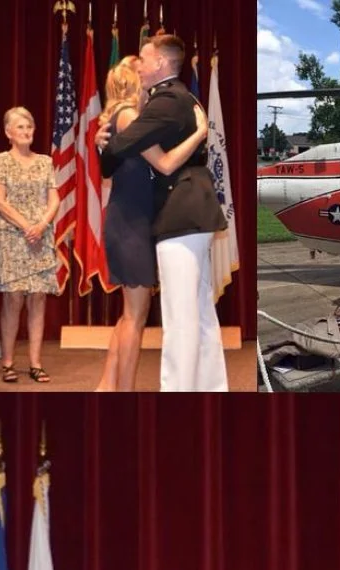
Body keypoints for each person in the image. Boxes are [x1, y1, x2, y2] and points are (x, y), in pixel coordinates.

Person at [99, 35, 228, 392]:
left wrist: (106, 140)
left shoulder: (168, 99)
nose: (139, 65)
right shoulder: (174, 99)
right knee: (199, 314)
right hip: (188, 213)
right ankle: (209, 387)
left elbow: (122, 145)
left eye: (143, 58)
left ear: (160, 63)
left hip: (181, 214)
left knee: (180, 317)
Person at [0, 106, 60, 384]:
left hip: (41, 237)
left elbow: (54, 199)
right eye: (20, 127)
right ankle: (8, 362)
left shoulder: (45, 161)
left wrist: (41, 225)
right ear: (8, 132)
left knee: (38, 298)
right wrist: (25, 225)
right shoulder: (0, 161)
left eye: (29, 126)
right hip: (12, 237)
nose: (26, 131)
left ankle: (35, 362)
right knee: (13, 298)